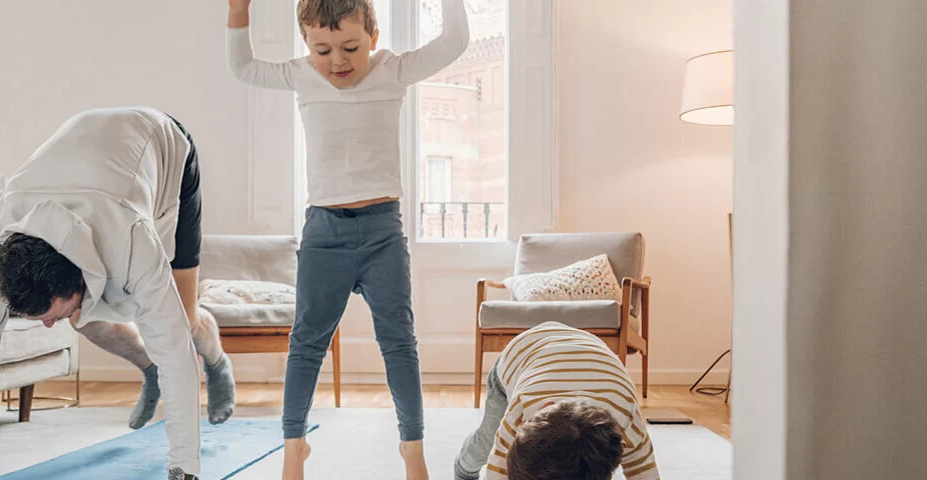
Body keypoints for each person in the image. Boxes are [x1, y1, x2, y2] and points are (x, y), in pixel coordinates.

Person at [225, 0, 468, 478]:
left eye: (351, 47)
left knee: (398, 341)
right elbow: (243, 67)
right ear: (306, 45)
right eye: (322, 49)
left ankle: (412, 448)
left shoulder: (393, 70)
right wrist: (239, 9)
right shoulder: (301, 75)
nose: (337, 60)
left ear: (373, 38)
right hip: (323, 233)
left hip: (383, 231)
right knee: (307, 342)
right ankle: (294, 445)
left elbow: (454, 42)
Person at [0, 106, 236, 480]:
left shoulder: (132, 239)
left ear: (79, 280)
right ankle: (146, 368)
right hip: (87, 154)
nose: (49, 326)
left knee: (182, 321)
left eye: (50, 314)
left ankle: (218, 362)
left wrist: (184, 470)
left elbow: (175, 352)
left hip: (164, 147)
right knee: (83, 320)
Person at [453, 322, 661, 480]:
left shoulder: (628, 419)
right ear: (545, 407)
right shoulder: (524, 408)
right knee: (487, 441)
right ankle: (463, 469)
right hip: (520, 355)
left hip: (584, 349)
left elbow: (644, 473)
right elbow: (496, 470)